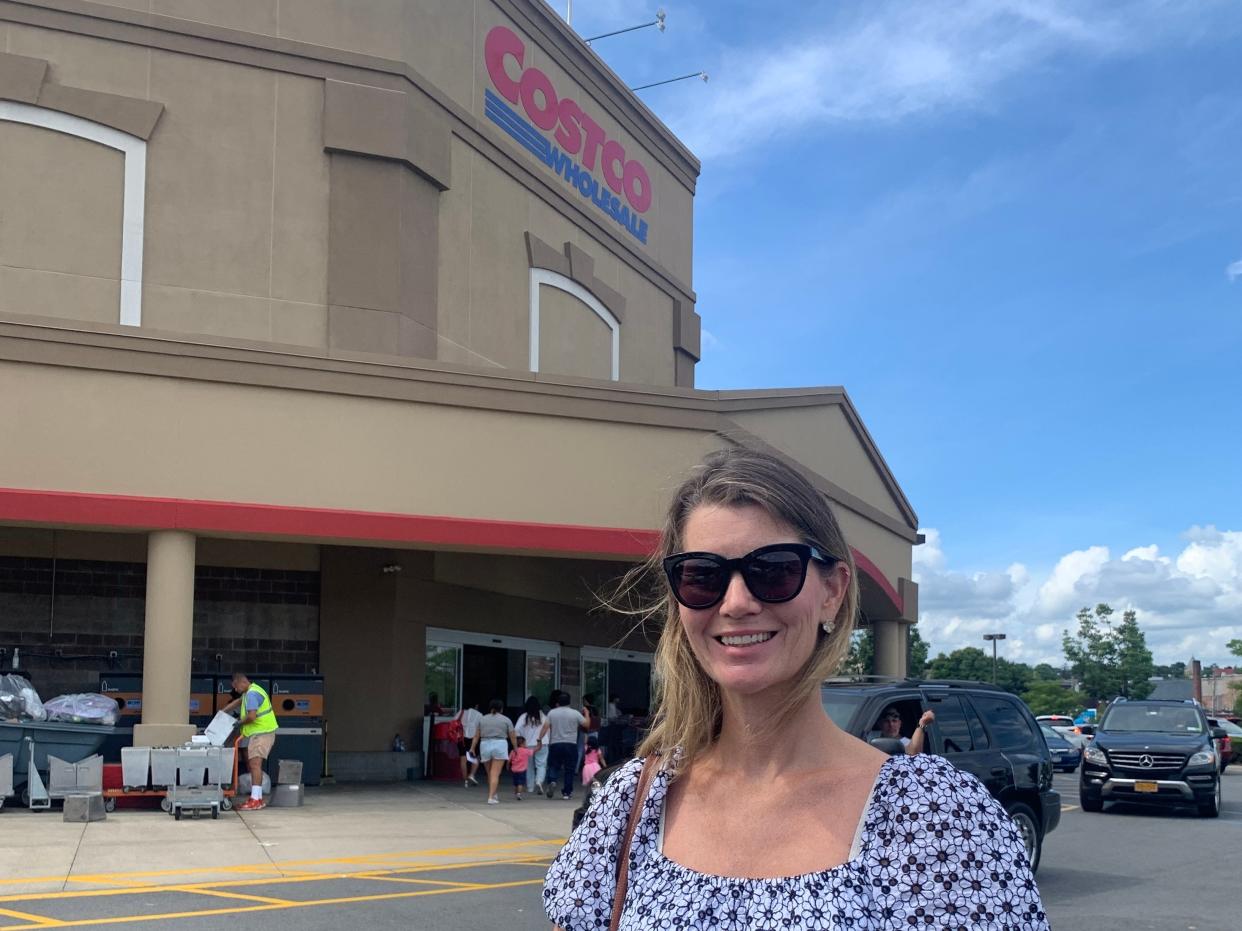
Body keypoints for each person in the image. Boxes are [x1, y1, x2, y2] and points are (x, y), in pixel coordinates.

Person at [543, 448, 1048, 930]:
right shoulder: (631, 802)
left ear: (832, 591)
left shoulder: (939, 818)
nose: (736, 602)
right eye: (702, 576)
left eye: (774, 570)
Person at [219, 672, 278, 812]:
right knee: (254, 765)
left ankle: (255, 800)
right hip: (260, 733)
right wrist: (222, 712)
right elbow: (238, 701)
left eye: (235, 687)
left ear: (240, 682)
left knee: (255, 765)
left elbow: (251, 716)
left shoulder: (251, 694)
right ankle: (256, 798)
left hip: (262, 733)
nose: (235, 690)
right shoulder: (251, 691)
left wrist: (238, 723)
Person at [538, 692, 586, 800]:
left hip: (556, 744)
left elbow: (545, 727)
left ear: (558, 702)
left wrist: (539, 739)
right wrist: (586, 714)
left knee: (553, 766)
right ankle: (567, 793)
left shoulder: (552, 713)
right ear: (569, 702)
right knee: (569, 769)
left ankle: (552, 781)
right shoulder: (575, 713)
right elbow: (586, 724)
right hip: (571, 744)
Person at [470, 698, 515, 805]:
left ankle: (494, 794)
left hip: (485, 744)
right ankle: (491, 797)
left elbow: (476, 736)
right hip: (500, 744)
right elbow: (512, 736)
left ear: (490, 708)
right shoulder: (506, 719)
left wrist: (472, 748)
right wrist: (515, 748)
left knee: (489, 773)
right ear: (502, 709)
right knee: (495, 773)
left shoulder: (482, 719)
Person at [515, 695, 548, 796]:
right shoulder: (543, 717)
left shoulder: (523, 717)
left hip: (527, 745)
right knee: (541, 765)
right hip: (542, 743)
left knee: (528, 766)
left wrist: (520, 741)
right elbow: (548, 729)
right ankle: (539, 781)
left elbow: (516, 730)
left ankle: (530, 787)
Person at [457, 699, 483, 787]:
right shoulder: (479, 715)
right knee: (475, 758)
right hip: (473, 739)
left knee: (463, 759)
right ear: (476, 706)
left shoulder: (461, 712)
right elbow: (482, 727)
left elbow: (453, 722)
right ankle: (471, 774)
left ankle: (465, 781)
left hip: (462, 739)